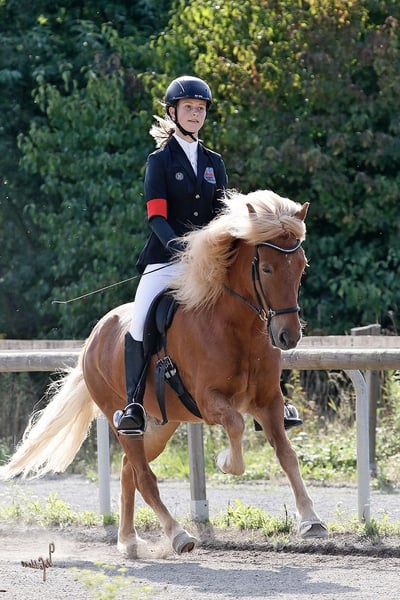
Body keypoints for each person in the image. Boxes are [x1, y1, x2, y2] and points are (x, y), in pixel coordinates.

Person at [113, 75, 301, 436]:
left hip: (213, 262)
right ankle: (133, 404)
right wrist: (182, 250)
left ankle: (273, 396)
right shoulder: (159, 161)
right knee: (140, 320)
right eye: (188, 108)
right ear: (173, 112)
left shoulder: (214, 161)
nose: (195, 114)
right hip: (167, 258)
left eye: (200, 109)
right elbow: (156, 217)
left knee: (260, 304)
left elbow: (222, 215)